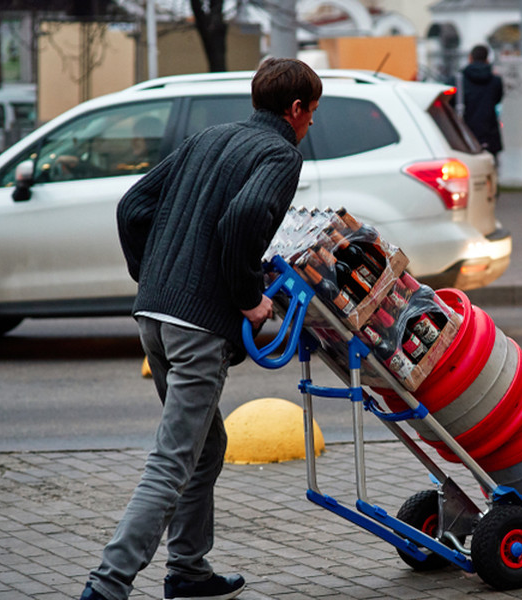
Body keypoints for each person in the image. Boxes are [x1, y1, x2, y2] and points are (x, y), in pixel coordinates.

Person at [81, 57, 321, 600]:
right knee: (173, 459)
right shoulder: (280, 153)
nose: (310, 125)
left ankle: (188, 572)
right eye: (311, 113)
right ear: (297, 108)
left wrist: (156, 278)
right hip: (197, 328)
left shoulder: (211, 136)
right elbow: (244, 217)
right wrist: (249, 299)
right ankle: (108, 584)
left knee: (207, 446)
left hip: (155, 316)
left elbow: (133, 207)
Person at [460, 44, 504, 159]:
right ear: (487, 59)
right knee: (490, 168)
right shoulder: (496, 81)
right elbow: (498, 100)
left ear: (470, 58)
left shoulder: (458, 80)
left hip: (465, 133)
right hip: (489, 133)